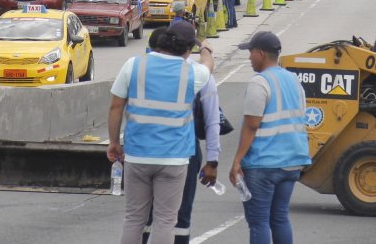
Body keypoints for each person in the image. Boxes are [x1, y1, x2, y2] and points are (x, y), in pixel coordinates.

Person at [108, 21, 212, 244]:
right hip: (174, 158)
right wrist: (205, 48)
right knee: (166, 220)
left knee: (134, 218)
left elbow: (116, 107)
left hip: (137, 154)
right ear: (186, 49)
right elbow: (208, 64)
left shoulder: (133, 65)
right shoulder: (192, 72)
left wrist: (114, 142)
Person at [230, 31, 311, 244]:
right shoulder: (294, 80)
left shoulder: (259, 82)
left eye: (250, 53)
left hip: (263, 163)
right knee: (280, 218)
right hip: (293, 161)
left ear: (261, 54)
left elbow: (251, 125)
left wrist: (237, 160)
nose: (249, 58)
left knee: (259, 221)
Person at [141, 27, 221, 244]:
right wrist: (212, 161)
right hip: (184, 152)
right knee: (180, 216)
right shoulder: (199, 73)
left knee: (144, 216)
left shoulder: (142, 69)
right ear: (190, 47)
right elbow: (213, 120)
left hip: (144, 149)